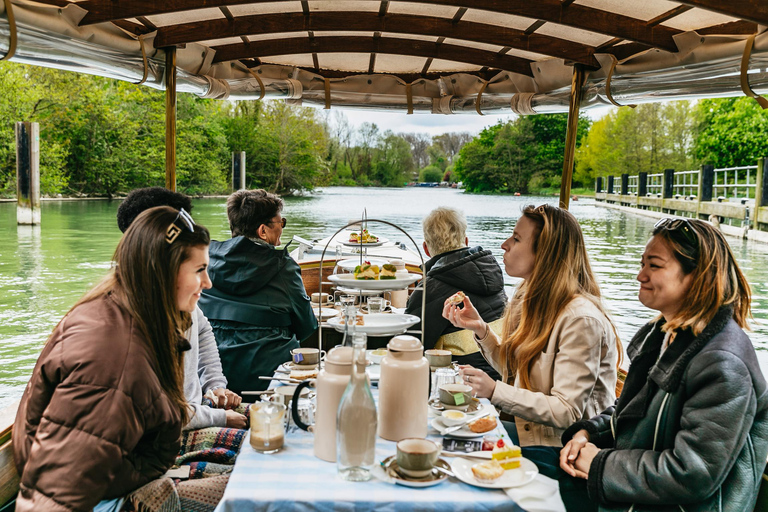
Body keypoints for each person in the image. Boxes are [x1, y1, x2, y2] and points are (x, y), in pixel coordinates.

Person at [559, 218, 768, 512]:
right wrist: (588, 433)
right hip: (629, 488)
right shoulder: (664, 333)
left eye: (654, 266)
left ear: (699, 276)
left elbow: (693, 472)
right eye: (643, 263)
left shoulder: (723, 364)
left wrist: (599, 464)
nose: (639, 276)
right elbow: (630, 411)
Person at [13, 206, 210, 511]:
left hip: (123, 477)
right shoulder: (116, 361)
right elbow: (57, 492)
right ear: (165, 272)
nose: (207, 282)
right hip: (103, 501)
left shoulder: (128, 311)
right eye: (199, 270)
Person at [442, 204, 622, 477]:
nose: (504, 245)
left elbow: (567, 411)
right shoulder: (527, 298)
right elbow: (514, 370)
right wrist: (480, 329)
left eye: (516, 239)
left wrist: (493, 391)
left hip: (564, 450)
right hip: (531, 433)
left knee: (456, 452)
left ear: (546, 253)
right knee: (448, 436)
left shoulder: (581, 320)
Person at [117, 186, 246, 430]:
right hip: (166, 433)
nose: (207, 283)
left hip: (195, 411)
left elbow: (202, 331)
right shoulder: (131, 318)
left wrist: (215, 384)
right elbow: (160, 414)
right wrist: (219, 418)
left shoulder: (176, 294)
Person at [199, 189, 317, 393]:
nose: (282, 228)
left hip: (213, 379)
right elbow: (307, 326)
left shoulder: (205, 261)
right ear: (263, 231)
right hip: (269, 381)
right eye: (281, 223)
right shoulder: (283, 268)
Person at [405, 207, 506, 380]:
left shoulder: (430, 288)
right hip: (503, 374)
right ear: (466, 240)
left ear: (426, 249)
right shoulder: (492, 274)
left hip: (461, 380)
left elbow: (410, 346)